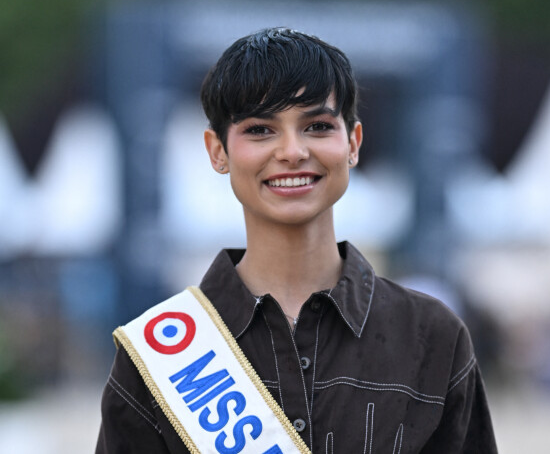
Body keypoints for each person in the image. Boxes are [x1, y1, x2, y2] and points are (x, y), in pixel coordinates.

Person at [96, 27, 497, 453]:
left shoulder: (431, 337)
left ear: (353, 143)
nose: (291, 151)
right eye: (260, 130)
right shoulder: (157, 357)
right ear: (217, 151)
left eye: (318, 126)